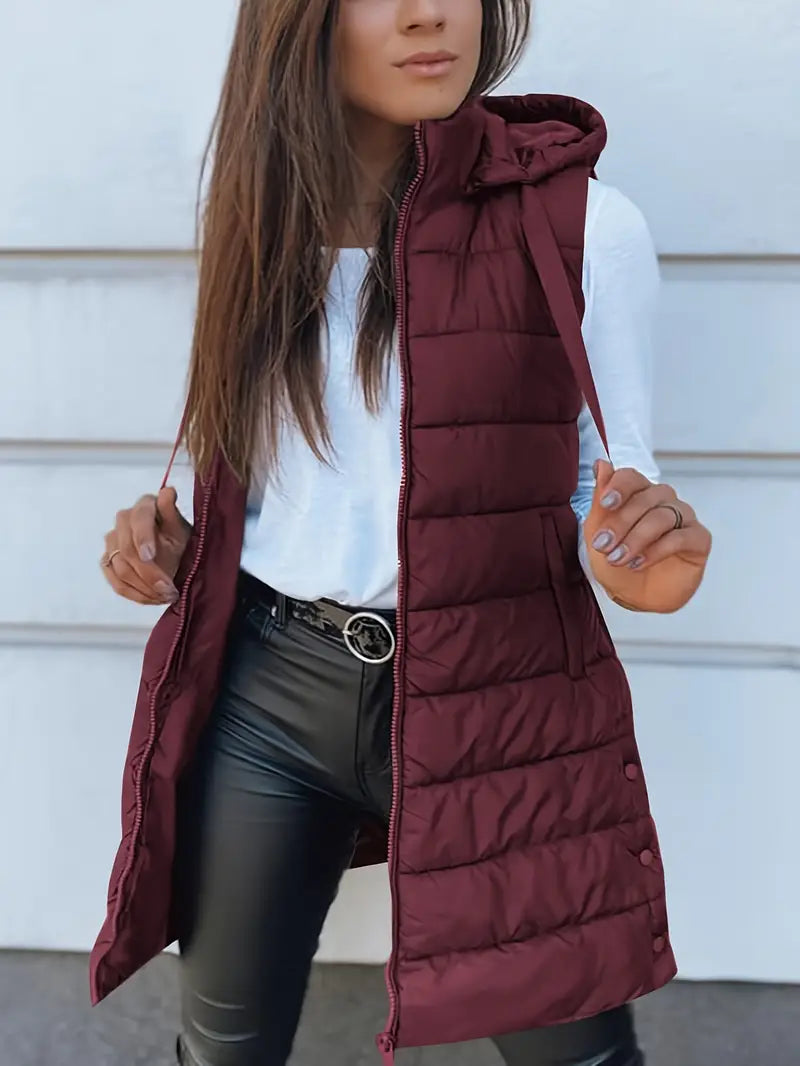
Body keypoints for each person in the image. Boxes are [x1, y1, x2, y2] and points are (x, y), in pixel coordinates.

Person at [90, 2, 712, 1065]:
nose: (430, 11)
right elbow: (273, 469)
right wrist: (178, 547)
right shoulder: (253, 215)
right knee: (221, 1047)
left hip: (500, 704)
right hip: (268, 691)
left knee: (575, 1053)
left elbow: (606, 488)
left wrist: (642, 564)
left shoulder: (581, 224)